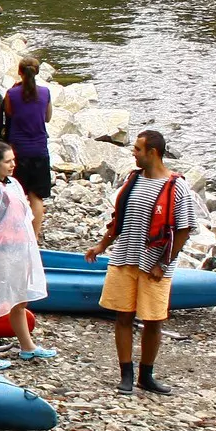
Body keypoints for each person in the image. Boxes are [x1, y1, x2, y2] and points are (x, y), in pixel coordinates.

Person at [85, 130, 198, 395]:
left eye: (137, 149)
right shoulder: (133, 180)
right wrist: (102, 245)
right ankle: (126, 374)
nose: (133, 153)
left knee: (153, 320)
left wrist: (163, 262)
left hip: (155, 266)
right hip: (125, 258)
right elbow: (119, 220)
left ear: (153, 153)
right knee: (122, 316)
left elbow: (184, 229)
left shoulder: (177, 186)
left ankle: (147, 375)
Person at [0, 142, 52, 359]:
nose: (13, 164)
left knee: (20, 300)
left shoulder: (12, 184)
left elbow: (22, 218)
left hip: (18, 249)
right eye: (8, 161)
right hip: (0, 253)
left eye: (13, 160)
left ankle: (27, 346)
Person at [0, 56, 54, 241]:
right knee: (36, 197)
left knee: (16, 195)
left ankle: (16, 234)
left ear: (20, 72)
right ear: (37, 72)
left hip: (17, 151)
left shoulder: (12, 94)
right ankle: (34, 236)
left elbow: (9, 114)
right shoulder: (45, 92)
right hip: (39, 149)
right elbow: (47, 118)